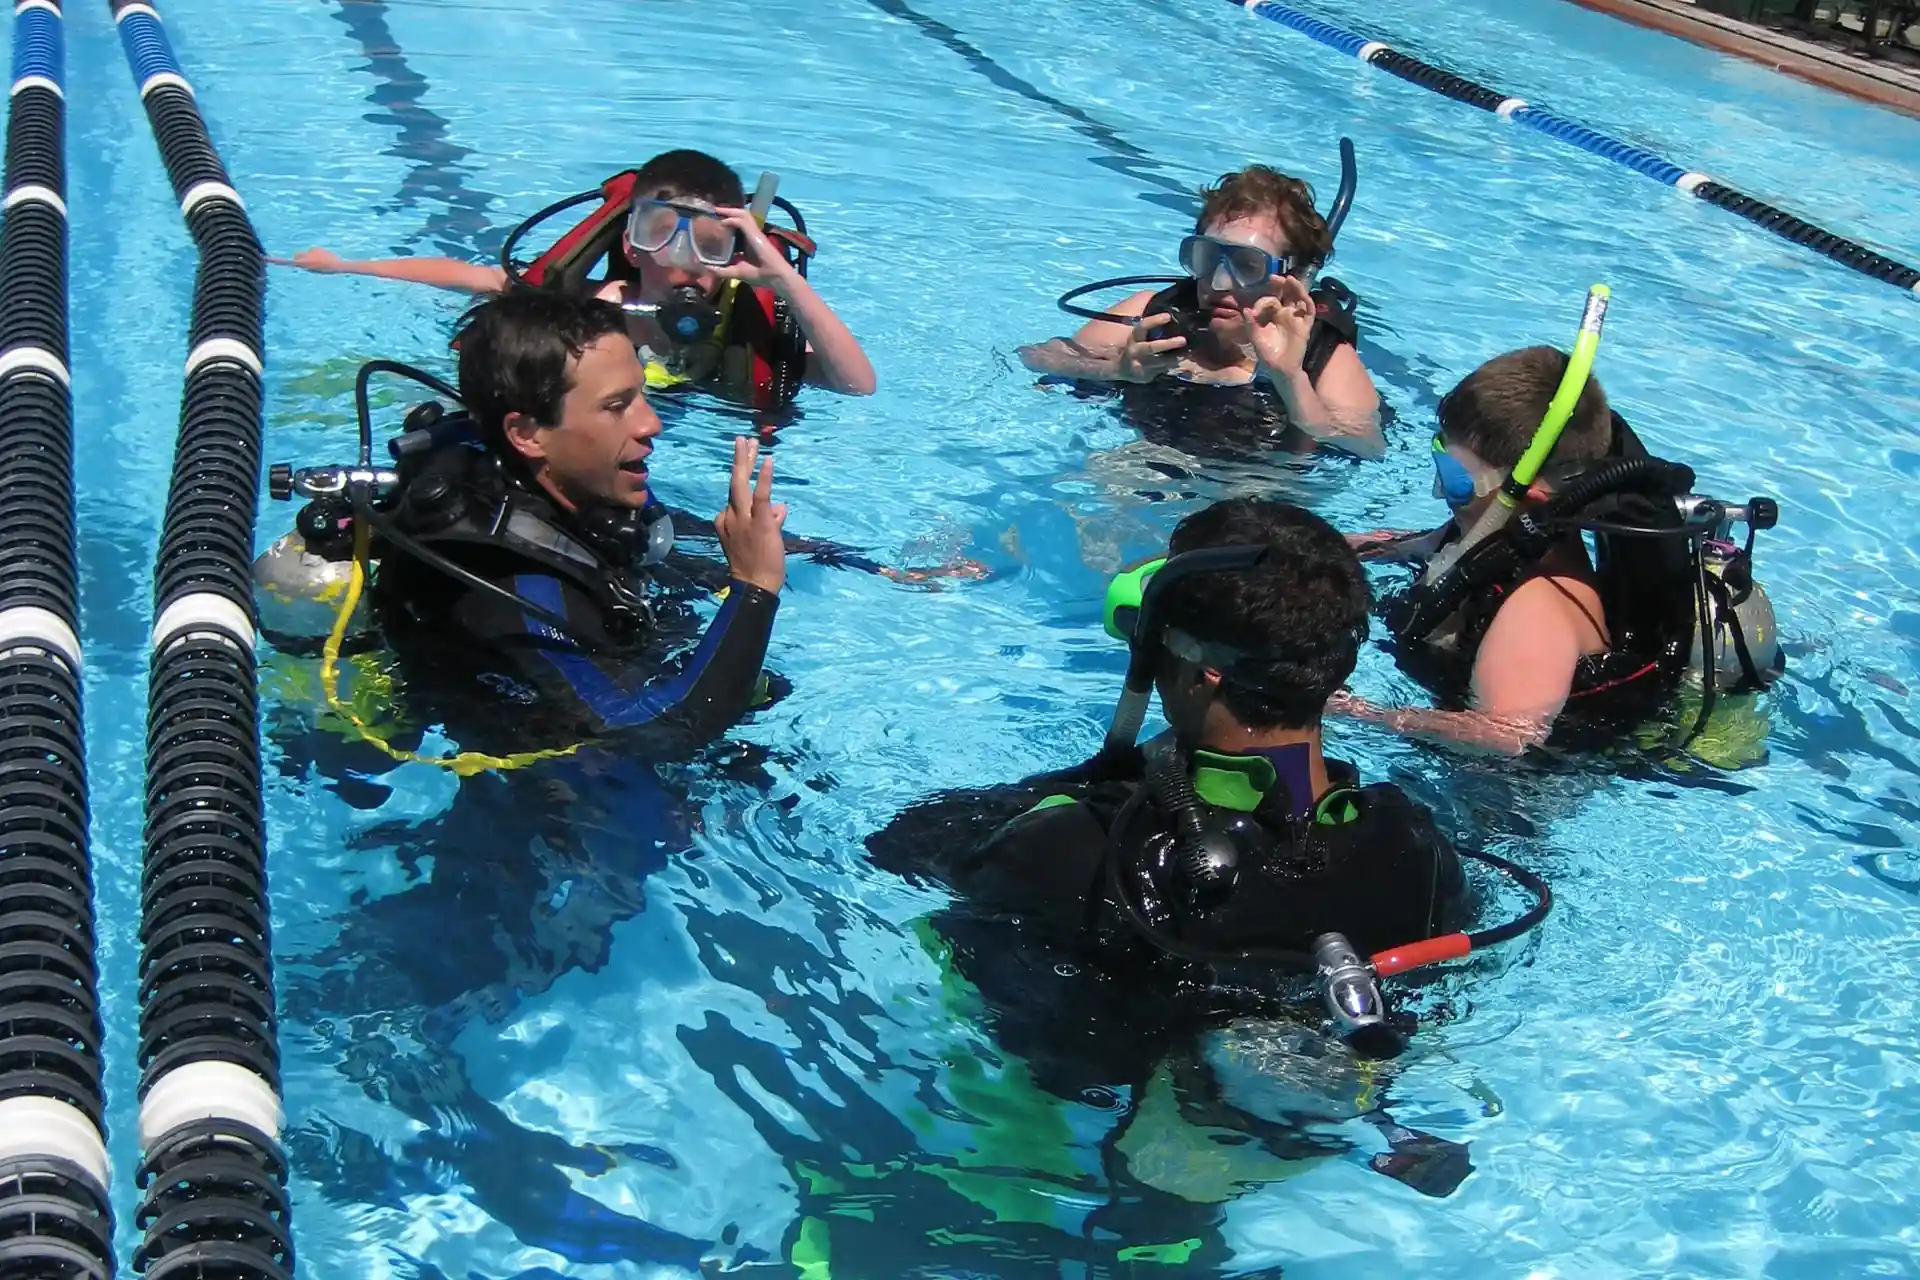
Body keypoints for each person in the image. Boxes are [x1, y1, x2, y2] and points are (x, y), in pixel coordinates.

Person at [867, 498, 1477, 1096]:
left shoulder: (1084, 848)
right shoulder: (1416, 850)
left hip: (1076, 1115)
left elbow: (897, 845)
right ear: (1336, 671)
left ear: (1197, 667)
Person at [367, 287, 790, 748]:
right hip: (555, 784)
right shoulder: (512, 591)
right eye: (616, 406)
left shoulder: (579, 488)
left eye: (641, 396)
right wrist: (755, 588)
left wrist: (842, 557)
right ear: (527, 434)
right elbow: (651, 736)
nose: (651, 424)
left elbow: (683, 534)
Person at [1336, 344, 1783, 756]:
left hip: (1510, 804)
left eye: (1454, 480)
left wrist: (1361, 712)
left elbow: (1509, 736)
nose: (1439, 491)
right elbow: (1416, 547)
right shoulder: (1493, 527)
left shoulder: (1539, 608)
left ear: (1528, 500)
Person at [274, 148, 876, 405]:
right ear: (632, 246)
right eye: (659, 233)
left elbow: (858, 386)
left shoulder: (750, 328)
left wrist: (787, 283)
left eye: (714, 243)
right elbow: (472, 278)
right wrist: (347, 265)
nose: (686, 259)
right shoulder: (592, 304)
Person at [1016, 165, 1383, 460]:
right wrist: (1117, 369)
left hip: (1258, 485)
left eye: (1247, 265)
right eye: (1207, 258)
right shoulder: (1156, 313)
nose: (1219, 283)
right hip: (1145, 465)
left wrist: (1289, 378)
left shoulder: (1322, 356)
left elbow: (1368, 448)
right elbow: (1036, 357)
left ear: (1296, 277)